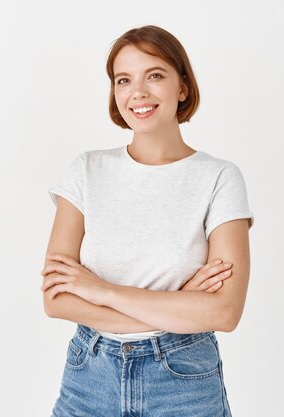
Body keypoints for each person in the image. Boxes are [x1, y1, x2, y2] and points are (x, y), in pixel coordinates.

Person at [41, 24, 254, 417]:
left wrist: (101, 290)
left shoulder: (219, 178)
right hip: (89, 376)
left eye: (154, 75)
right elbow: (56, 300)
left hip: (183, 380)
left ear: (183, 87)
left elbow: (224, 312)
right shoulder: (86, 171)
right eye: (124, 80)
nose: (137, 92)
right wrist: (179, 302)